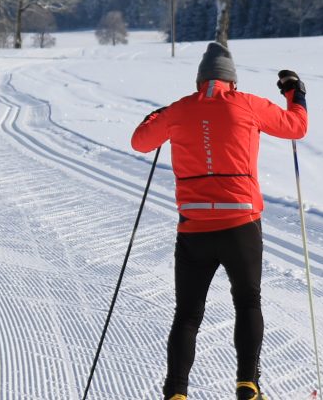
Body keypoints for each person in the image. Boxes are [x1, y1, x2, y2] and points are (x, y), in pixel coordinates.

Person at [130, 42, 308, 400]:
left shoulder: (181, 109)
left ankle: (176, 392)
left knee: (188, 315)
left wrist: (156, 116)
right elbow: (295, 127)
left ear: (200, 81)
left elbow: (140, 142)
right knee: (247, 302)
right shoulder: (248, 104)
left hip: (194, 227)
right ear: (232, 81)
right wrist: (295, 93)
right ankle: (247, 385)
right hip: (241, 223)